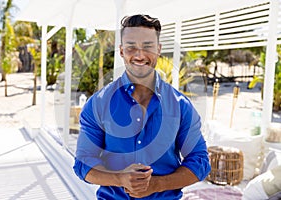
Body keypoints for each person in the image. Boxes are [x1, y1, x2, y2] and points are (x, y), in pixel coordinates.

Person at [73, 14, 211, 199]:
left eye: (148, 46)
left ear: (159, 50)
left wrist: (156, 184)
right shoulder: (98, 104)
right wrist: (120, 179)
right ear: (122, 51)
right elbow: (83, 163)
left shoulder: (181, 106)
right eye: (131, 47)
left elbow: (200, 161)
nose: (139, 55)